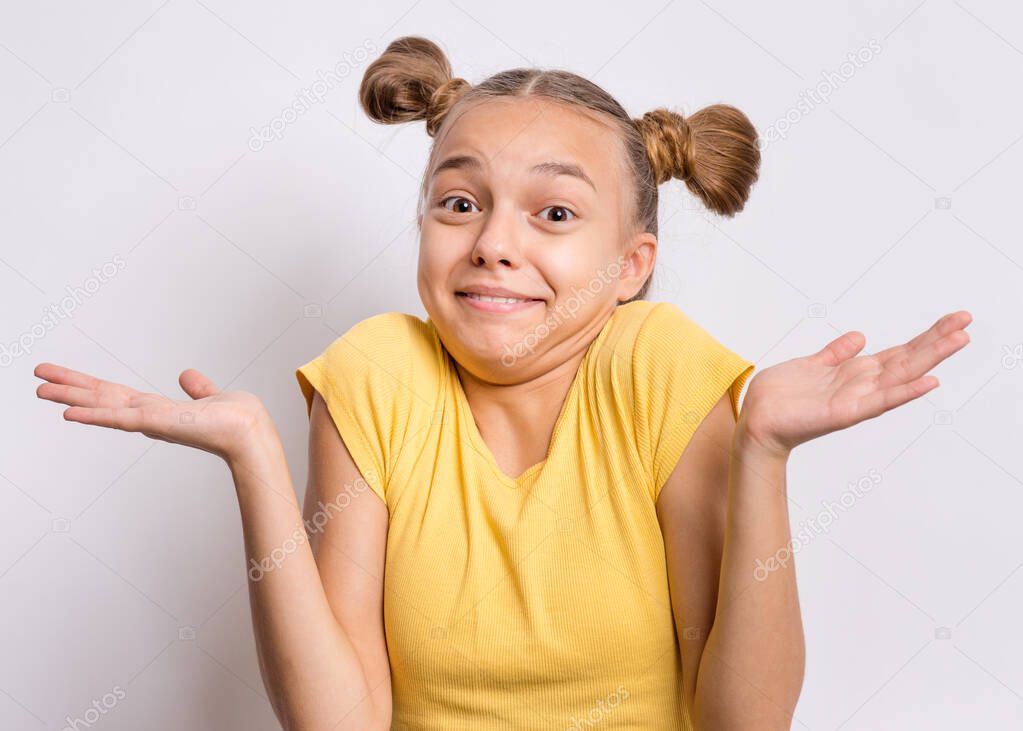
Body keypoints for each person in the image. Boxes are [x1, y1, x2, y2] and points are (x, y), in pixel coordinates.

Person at [34, 35, 972, 731]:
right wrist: (254, 461)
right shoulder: (376, 373)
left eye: (553, 212)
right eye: (459, 200)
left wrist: (763, 453)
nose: (492, 242)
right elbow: (339, 722)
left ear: (631, 264)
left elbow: (742, 721)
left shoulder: (657, 367)